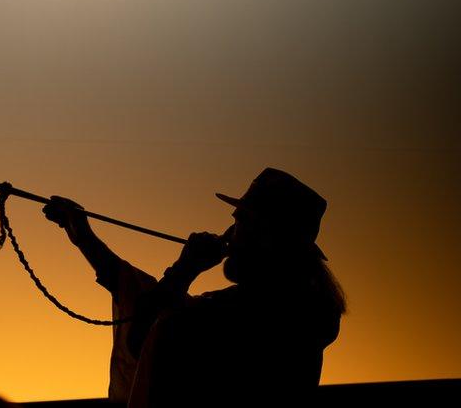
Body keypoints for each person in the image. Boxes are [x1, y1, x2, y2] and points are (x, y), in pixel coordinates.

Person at [42, 168, 345, 407]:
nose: (228, 233)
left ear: (264, 236)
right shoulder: (302, 308)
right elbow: (150, 301)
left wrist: (185, 268)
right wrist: (85, 239)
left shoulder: (251, 313)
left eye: (239, 222)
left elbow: (148, 333)